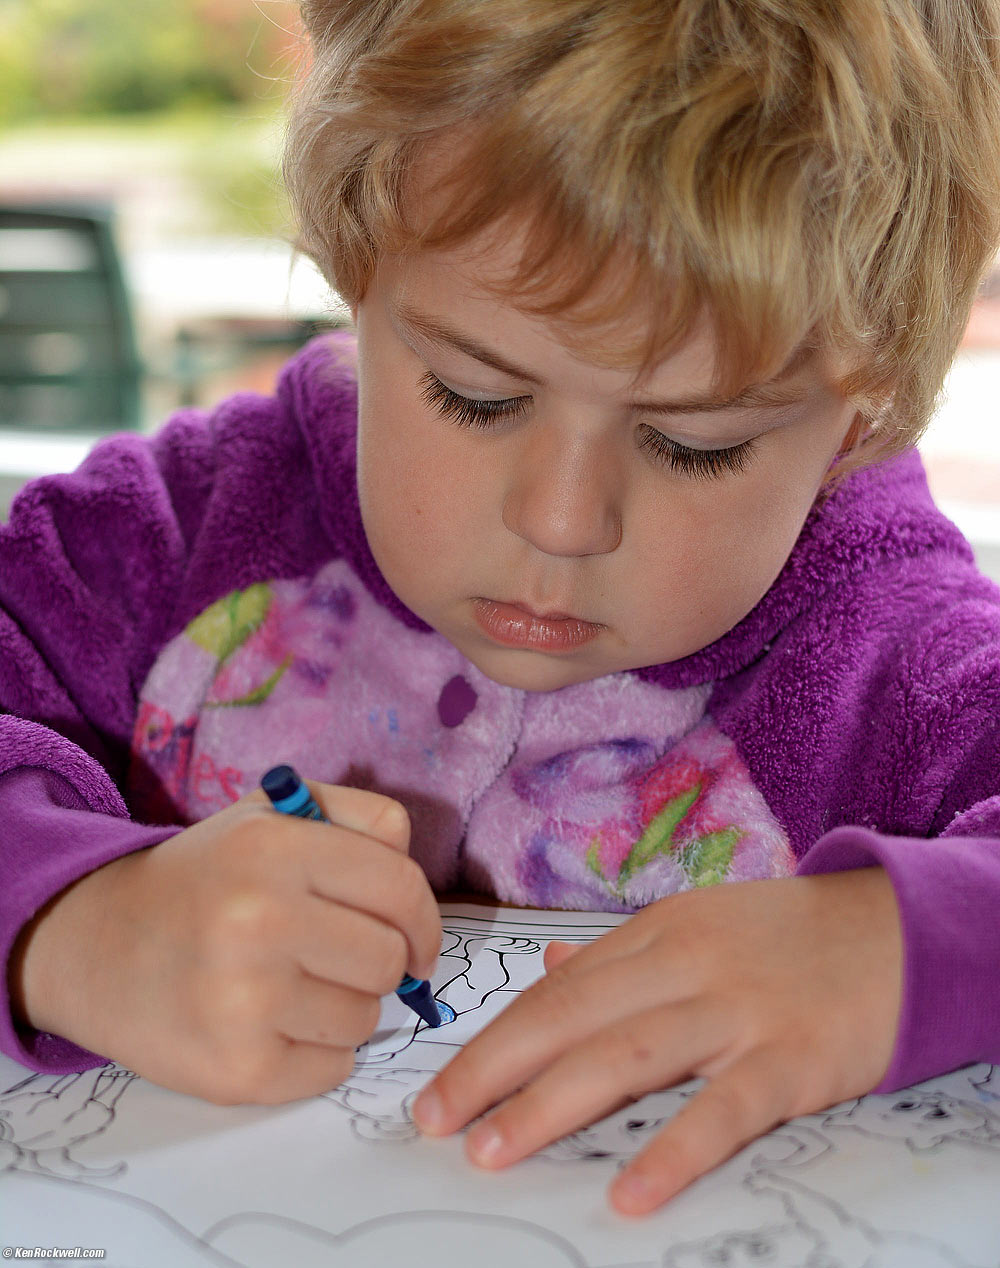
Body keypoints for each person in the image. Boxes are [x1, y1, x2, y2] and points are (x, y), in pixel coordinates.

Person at [3, 0, 1000, 1217]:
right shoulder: (160, 538)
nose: (562, 520)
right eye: (475, 395)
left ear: (863, 405)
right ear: (355, 272)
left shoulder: (897, 657)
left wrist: (900, 945)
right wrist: (62, 916)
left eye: (694, 442)